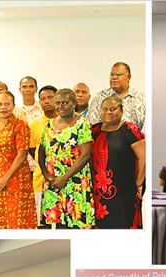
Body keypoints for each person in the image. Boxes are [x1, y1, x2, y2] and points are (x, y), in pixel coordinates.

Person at [38, 88, 94, 229]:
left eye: (65, 102)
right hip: (53, 184)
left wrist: (64, 178)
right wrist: (47, 176)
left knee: (76, 227)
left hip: (75, 183)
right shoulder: (48, 126)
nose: (60, 106)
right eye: (57, 103)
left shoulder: (82, 124)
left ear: (74, 103)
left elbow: (86, 154)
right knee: (57, 228)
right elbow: (41, 153)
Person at [0, 90, 36, 229]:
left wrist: (5, 179)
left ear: (13, 106)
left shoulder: (20, 126)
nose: (3, 107)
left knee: (18, 218)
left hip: (17, 177)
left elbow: (22, 155)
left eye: (7, 104)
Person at [91, 96, 145, 229]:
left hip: (125, 191)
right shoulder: (94, 131)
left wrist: (139, 183)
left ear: (121, 111)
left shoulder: (129, 129)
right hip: (98, 193)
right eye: (105, 109)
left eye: (113, 109)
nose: (108, 112)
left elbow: (143, 157)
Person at [29, 86, 58, 225]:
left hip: (62, 179)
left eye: (50, 97)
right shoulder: (35, 124)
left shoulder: (67, 122)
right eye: (42, 99)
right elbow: (32, 149)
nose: (46, 101)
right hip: (40, 180)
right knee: (41, 222)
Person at [87, 62, 146, 130]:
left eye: (118, 74)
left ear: (128, 77)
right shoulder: (99, 97)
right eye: (112, 75)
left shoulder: (141, 98)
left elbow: (147, 128)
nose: (114, 77)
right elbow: (91, 125)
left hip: (136, 140)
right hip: (105, 139)